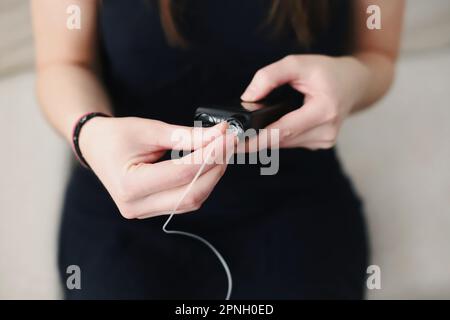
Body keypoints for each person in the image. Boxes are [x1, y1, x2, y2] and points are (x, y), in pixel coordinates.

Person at [32, 0, 404, 299]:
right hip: (126, 206)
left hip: (294, 203)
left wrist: (354, 80)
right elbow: (63, 63)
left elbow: (377, 53)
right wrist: (89, 131)